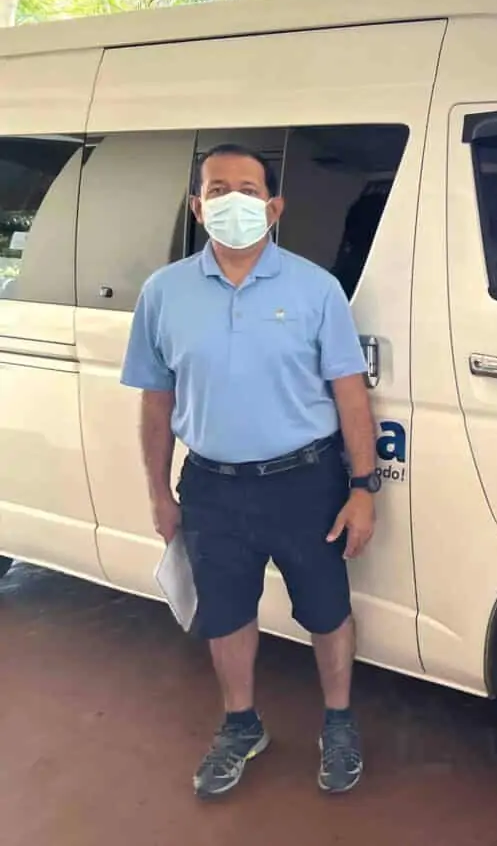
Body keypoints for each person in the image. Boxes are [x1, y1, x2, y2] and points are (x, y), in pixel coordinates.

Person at [120, 143, 380, 798]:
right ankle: (241, 724)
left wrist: (362, 488)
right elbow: (157, 406)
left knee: (326, 611)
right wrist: (158, 492)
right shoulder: (163, 293)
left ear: (274, 206)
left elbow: (352, 396)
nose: (231, 201)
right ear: (196, 206)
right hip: (210, 486)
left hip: (307, 482)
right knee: (226, 614)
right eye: (216, 189)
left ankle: (340, 723)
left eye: (246, 189)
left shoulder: (316, 289)